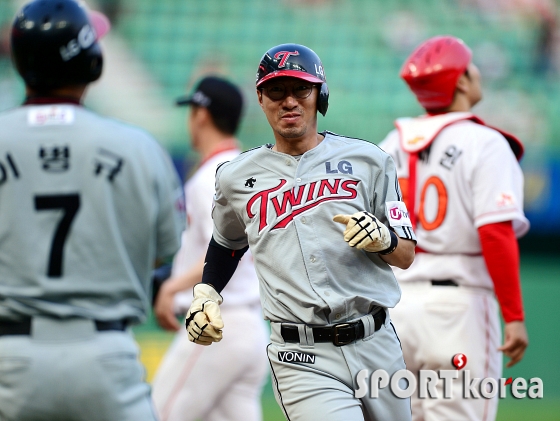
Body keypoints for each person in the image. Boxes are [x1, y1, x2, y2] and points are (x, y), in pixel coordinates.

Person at [183, 43, 417, 421]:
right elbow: (226, 244)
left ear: (319, 95)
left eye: (300, 89)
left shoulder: (370, 161)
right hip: (301, 355)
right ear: (261, 97)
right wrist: (207, 293)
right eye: (276, 90)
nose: (288, 100)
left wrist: (385, 240)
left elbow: (405, 255)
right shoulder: (235, 177)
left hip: (377, 343)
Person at [0, 1, 184, 420]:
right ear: (93, 63)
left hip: (8, 357)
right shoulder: (138, 147)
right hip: (106, 357)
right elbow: (162, 252)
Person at [379, 35, 530, 421]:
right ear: (461, 80)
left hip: (393, 310)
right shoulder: (486, 143)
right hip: (456, 310)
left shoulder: (390, 144)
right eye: (471, 66)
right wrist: (514, 316)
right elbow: (495, 234)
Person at [151, 76, 268, 421]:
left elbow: (222, 250)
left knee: (158, 414)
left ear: (201, 115)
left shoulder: (212, 177)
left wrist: (171, 286)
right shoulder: (251, 173)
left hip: (217, 323)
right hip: (249, 328)